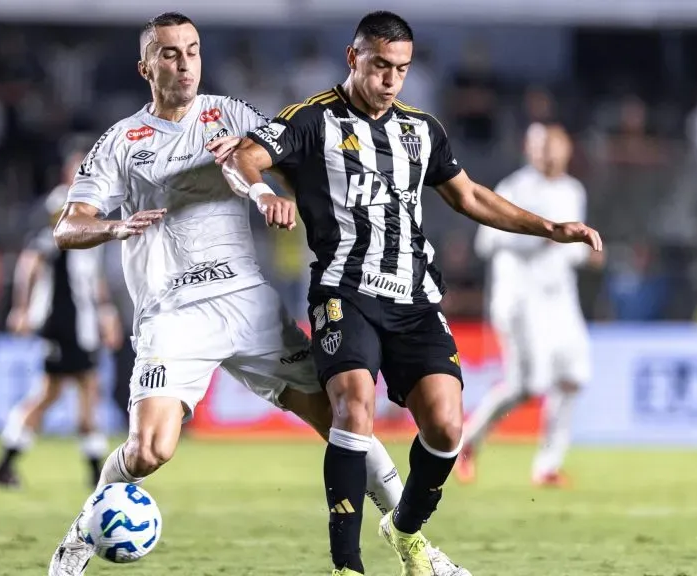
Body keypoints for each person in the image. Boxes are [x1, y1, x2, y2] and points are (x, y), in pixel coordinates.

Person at [47, 13, 463, 576]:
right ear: (146, 67)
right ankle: (83, 531)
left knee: (347, 420)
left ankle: (415, 547)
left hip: (249, 303)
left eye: (193, 50)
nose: (185, 63)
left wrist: (266, 182)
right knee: (149, 451)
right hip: (174, 313)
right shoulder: (122, 141)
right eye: (170, 53)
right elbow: (67, 226)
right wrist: (115, 226)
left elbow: (295, 161)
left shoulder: (231, 114)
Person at [223, 11, 602, 576]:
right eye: (380, 65)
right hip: (344, 290)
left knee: (446, 427)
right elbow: (244, 156)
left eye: (401, 68)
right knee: (353, 405)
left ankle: (404, 532)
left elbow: (469, 196)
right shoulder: (311, 119)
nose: (390, 79)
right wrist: (262, 194)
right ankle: (346, 566)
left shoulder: (422, 130)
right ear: (353, 58)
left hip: (415, 298)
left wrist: (548, 227)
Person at [456, 123, 603, 487]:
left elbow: (568, 251)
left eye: (554, 146)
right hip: (521, 299)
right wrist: (538, 236)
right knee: (525, 385)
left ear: (567, 150)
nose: (547, 154)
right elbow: (485, 243)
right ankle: (466, 443)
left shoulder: (572, 190)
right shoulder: (514, 188)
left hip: (560, 298)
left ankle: (547, 465)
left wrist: (585, 254)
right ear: (530, 150)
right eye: (540, 147)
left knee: (572, 377)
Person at [0, 146, 123, 490]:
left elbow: (92, 273)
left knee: (62, 392)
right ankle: (95, 473)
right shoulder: (63, 203)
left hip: (81, 322)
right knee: (76, 390)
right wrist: (21, 307)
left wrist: (106, 313)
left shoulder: (91, 207)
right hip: (63, 319)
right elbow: (33, 258)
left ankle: (7, 464)